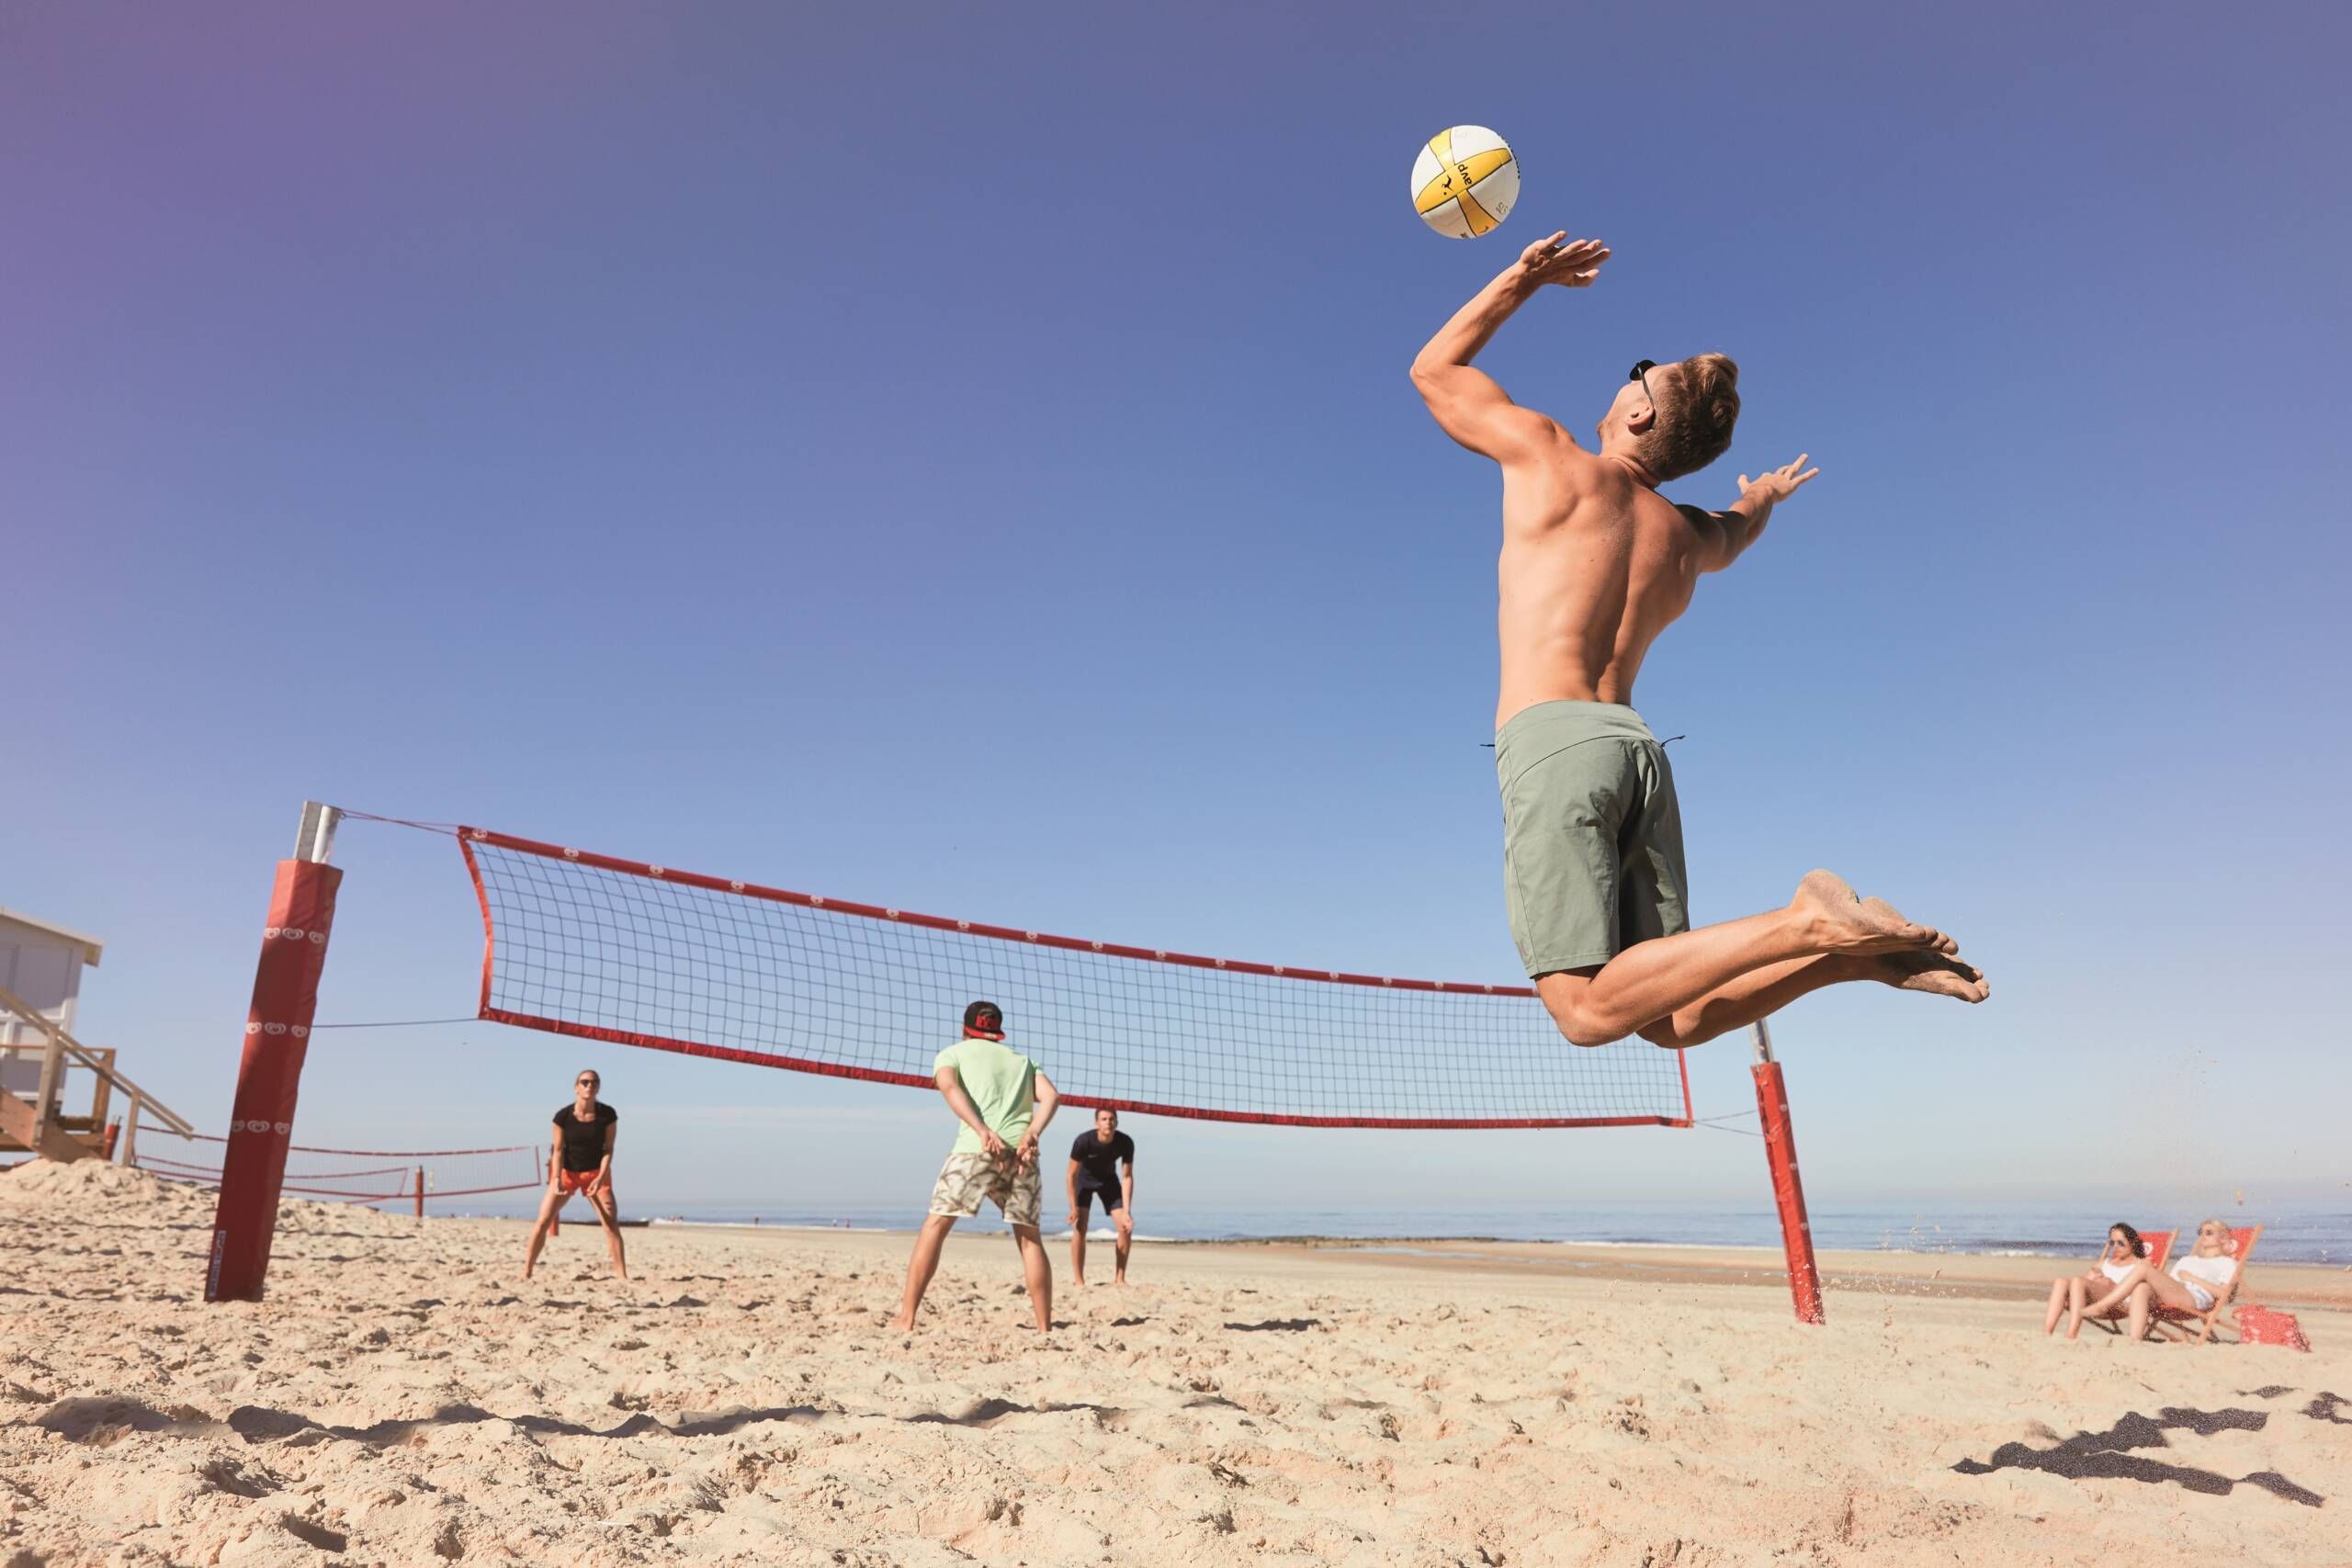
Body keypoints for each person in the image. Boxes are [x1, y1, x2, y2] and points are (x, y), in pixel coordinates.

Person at [1409, 232, 1989, 1051]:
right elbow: (1737, 530)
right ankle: (1853, 958)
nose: (1624, 377)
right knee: (1671, 1016)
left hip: (1553, 740)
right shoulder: (1684, 538)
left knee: (1583, 1012)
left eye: (1636, 370)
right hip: (1637, 750)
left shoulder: (1550, 459)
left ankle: (1805, 923)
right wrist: (1764, 500)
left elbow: (1432, 371)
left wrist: (1523, 278)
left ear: (1639, 412)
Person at [890, 1001, 1062, 1333]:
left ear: (965, 1028)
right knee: (1029, 1239)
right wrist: (1032, 1132)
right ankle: (1044, 1327)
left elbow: (948, 1086)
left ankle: (906, 1318)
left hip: (975, 1149)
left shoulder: (952, 1053)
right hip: (1021, 1154)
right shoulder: (1022, 1061)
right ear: (997, 1032)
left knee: (935, 1227)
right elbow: (1052, 1097)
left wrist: (982, 1130)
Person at [521, 1068, 627, 1281]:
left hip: (596, 1173)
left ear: (598, 1087)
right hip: (567, 1172)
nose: (589, 1086)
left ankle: (622, 1275)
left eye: (594, 1082)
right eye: (585, 1082)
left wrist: (601, 1177)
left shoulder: (607, 1114)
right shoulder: (563, 1117)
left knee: (610, 1224)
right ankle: (526, 1271)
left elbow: (609, 1150)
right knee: (542, 1221)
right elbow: (558, 1150)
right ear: (576, 1087)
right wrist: (557, 1178)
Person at [2071, 1217, 2243, 1341]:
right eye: (2201, 1231)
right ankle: (2135, 1341)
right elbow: (2171, 1282)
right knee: (2142, 1288)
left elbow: (2227, 1296)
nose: (2202, 1235)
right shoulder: (2187, 1260)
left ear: (2222, 1238)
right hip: (2176, 1292)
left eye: (2208, 1232)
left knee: (2145, 1267)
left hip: (2193, 1298)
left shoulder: (2228, 1263)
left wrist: (2193, 1279)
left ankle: (2104, 1305)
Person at [1066, 1107, 1136, 1287]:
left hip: (1108, 1181)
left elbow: (1127, 1176)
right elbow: (1071, 1175)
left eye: (1112, 1119)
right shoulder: (1083, 1141)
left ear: (1117, 1122)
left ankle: (1120, 1279)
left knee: (1125, 1227)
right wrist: (1073, 1207)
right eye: (1104, 1119)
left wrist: (1127, 1211)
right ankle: (1079, 1280)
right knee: (1080, 1226)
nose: (1108, 1122)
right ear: (1096, 1123)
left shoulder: (1125, 1142)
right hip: (1084, 1180)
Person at [2042, 1223, 2149, 1337]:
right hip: (2095, 1304)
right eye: (2113, 1243)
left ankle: (2071, 1333)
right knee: (2061, 1282)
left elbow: (2143, 1292)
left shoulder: (2141, 1265)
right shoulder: (2104, 1263)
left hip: (2120, 1306)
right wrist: (2094, 1280)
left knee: (2079, 1281)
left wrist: (2111, 1284)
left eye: (2121, 1243)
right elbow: (2080, 1284)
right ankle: (2047, 1332)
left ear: (2132, 1243)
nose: (2116, 1247)